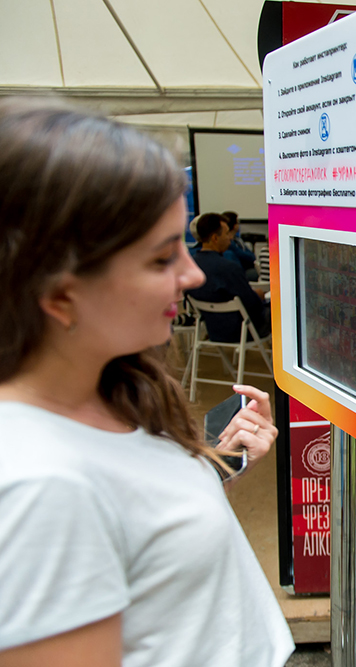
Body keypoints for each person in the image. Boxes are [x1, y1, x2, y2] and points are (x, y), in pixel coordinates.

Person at [0, 99, 293, 666]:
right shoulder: (38, 488)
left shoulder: (110, 388)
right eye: (161, 260)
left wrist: (219, 462)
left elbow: (135, 529)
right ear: (61, 294)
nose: (192, 275)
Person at [188, 213, 271, 342]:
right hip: (241, 330)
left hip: (212, 328)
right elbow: (253, 306)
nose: (230, 239)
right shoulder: (229, 268)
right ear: (215, 238)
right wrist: (258, 296)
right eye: (227, 234)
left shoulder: (190, 267)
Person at [221, 210, 259, 281]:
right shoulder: (230, 244)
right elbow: (248, 256)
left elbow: (252, 256)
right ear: (235, 226)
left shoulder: (238, 240)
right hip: (241, 271)